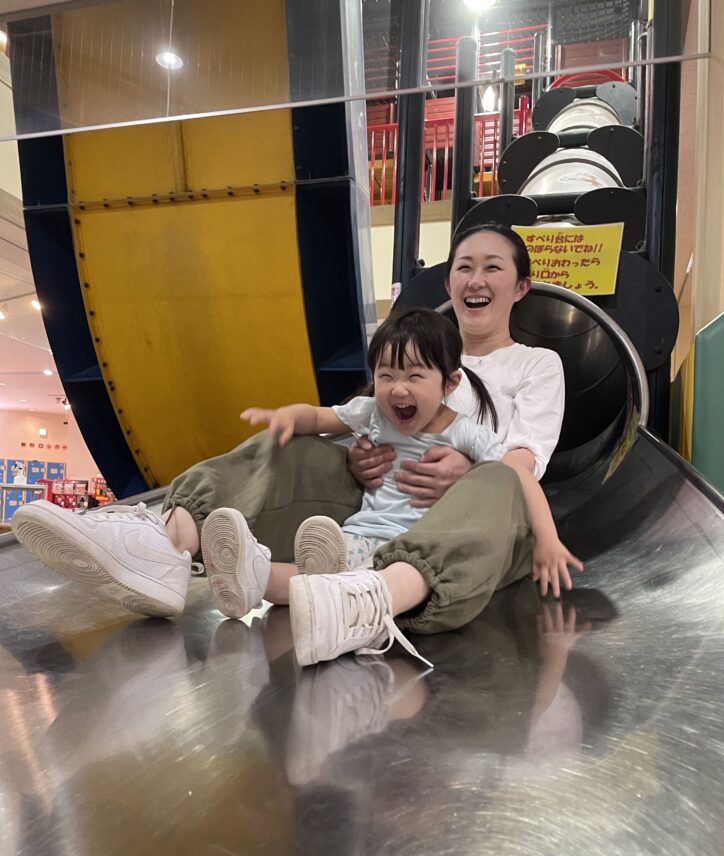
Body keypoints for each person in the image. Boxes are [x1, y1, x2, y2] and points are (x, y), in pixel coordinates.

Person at [11, 224, 579, 656]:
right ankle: (167, 546)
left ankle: (374, 596)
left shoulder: (535, 364)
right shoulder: (408, 363)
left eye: (492, 268)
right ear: (449, 281)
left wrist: (467, 470)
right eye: (463, 267)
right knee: (291, 445)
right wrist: (346, 454)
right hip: (378, 505)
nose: (475, 280)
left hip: (478, 519)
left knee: (500, 477)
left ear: (520, 286)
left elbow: (522, 463)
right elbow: (343, 420)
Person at [201, 308, 575, 648]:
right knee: (311, 572)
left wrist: (548, 538)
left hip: (414, 546)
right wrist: (289, 416)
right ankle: (254, 576)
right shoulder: (374, 415)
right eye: (385, 375)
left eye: (415, 375)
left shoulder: (465, 433)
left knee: (356, 577)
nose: (398, 388)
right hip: (361, 532)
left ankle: (343, 604)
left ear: (450, 383)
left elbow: (516, 478)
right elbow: (321, 417)